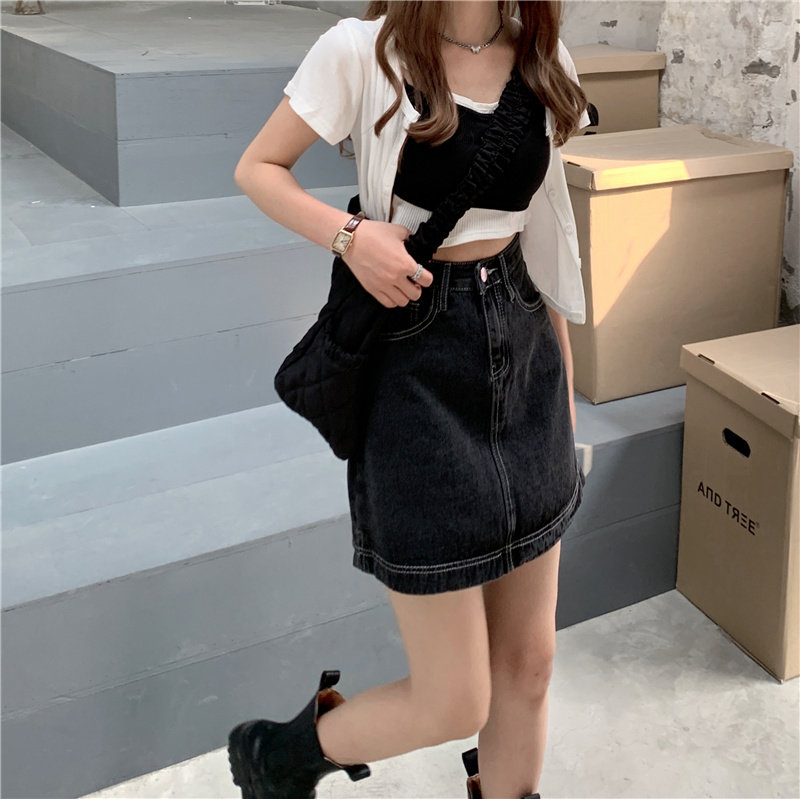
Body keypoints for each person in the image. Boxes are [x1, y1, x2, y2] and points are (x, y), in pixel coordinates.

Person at [228, 2, 591, 798]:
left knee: (530, 664)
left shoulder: (544, 58)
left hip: (525, 350)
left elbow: (543, 234)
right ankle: (280, 756)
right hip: (417, 362)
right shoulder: (364, 51)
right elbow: (258, 167)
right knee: (455, 698)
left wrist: (563, 407)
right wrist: (350, 236)